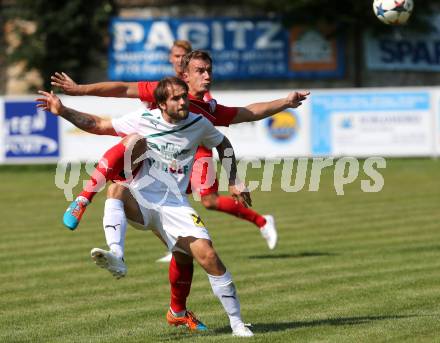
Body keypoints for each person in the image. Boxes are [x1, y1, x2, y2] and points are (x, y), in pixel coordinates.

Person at [37, 76, 255, 337]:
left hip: (174, 206)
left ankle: (236, 323)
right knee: (122, 171)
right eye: (176, 98)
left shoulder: (198, 123)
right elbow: (98, 124)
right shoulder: (145, 119)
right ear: (161, 104)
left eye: (184, 96)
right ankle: (109, 242)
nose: (183, 101)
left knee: (206, 256)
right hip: (139, 199)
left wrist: (234, 180)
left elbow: (222, 143)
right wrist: (63, 111)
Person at [51, 50, 309, 253]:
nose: (207, 76)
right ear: (185, 74)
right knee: (131, 143)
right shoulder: (166, 91)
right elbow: (121, 88)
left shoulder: (207, 111)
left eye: (209, 70)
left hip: (173, 171)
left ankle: (179, 308)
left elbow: (248, 112)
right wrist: (79, 89)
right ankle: (85, 204)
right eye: (201, 71)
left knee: (189, 246)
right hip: (145, 161)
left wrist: (285, 102)